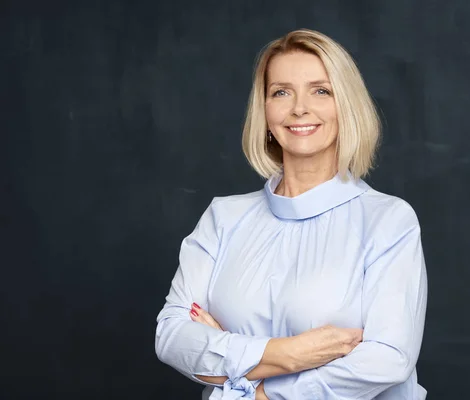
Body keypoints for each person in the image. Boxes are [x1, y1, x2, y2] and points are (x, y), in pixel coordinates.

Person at [155, 28, 428, 400]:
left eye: (321, 91)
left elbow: (388, 359)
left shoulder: (388, 221)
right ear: (264, 110)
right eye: (281, 92)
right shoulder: (224, 218)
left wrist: (252, 387)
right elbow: (172, 338)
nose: (300, 108)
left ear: (346, 105)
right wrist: (292, 355)